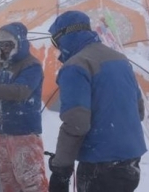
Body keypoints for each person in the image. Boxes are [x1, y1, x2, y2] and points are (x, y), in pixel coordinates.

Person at [47, 10, 147, 192]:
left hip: (100, 167)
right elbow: (139, 110)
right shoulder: (120, 59)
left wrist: (61, 170)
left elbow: (76, 123)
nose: (57, 47)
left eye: (55, 41)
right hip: (131, 162)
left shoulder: (76, 66)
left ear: (64, 36)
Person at [0, 22, 48, 192]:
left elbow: (19, 91)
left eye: (8, 44)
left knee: (32, 184)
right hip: (1, 135)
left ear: (19, 43)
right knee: (7, 183)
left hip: (24, 135)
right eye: (1, 44)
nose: (4, 48)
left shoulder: (31, 66)